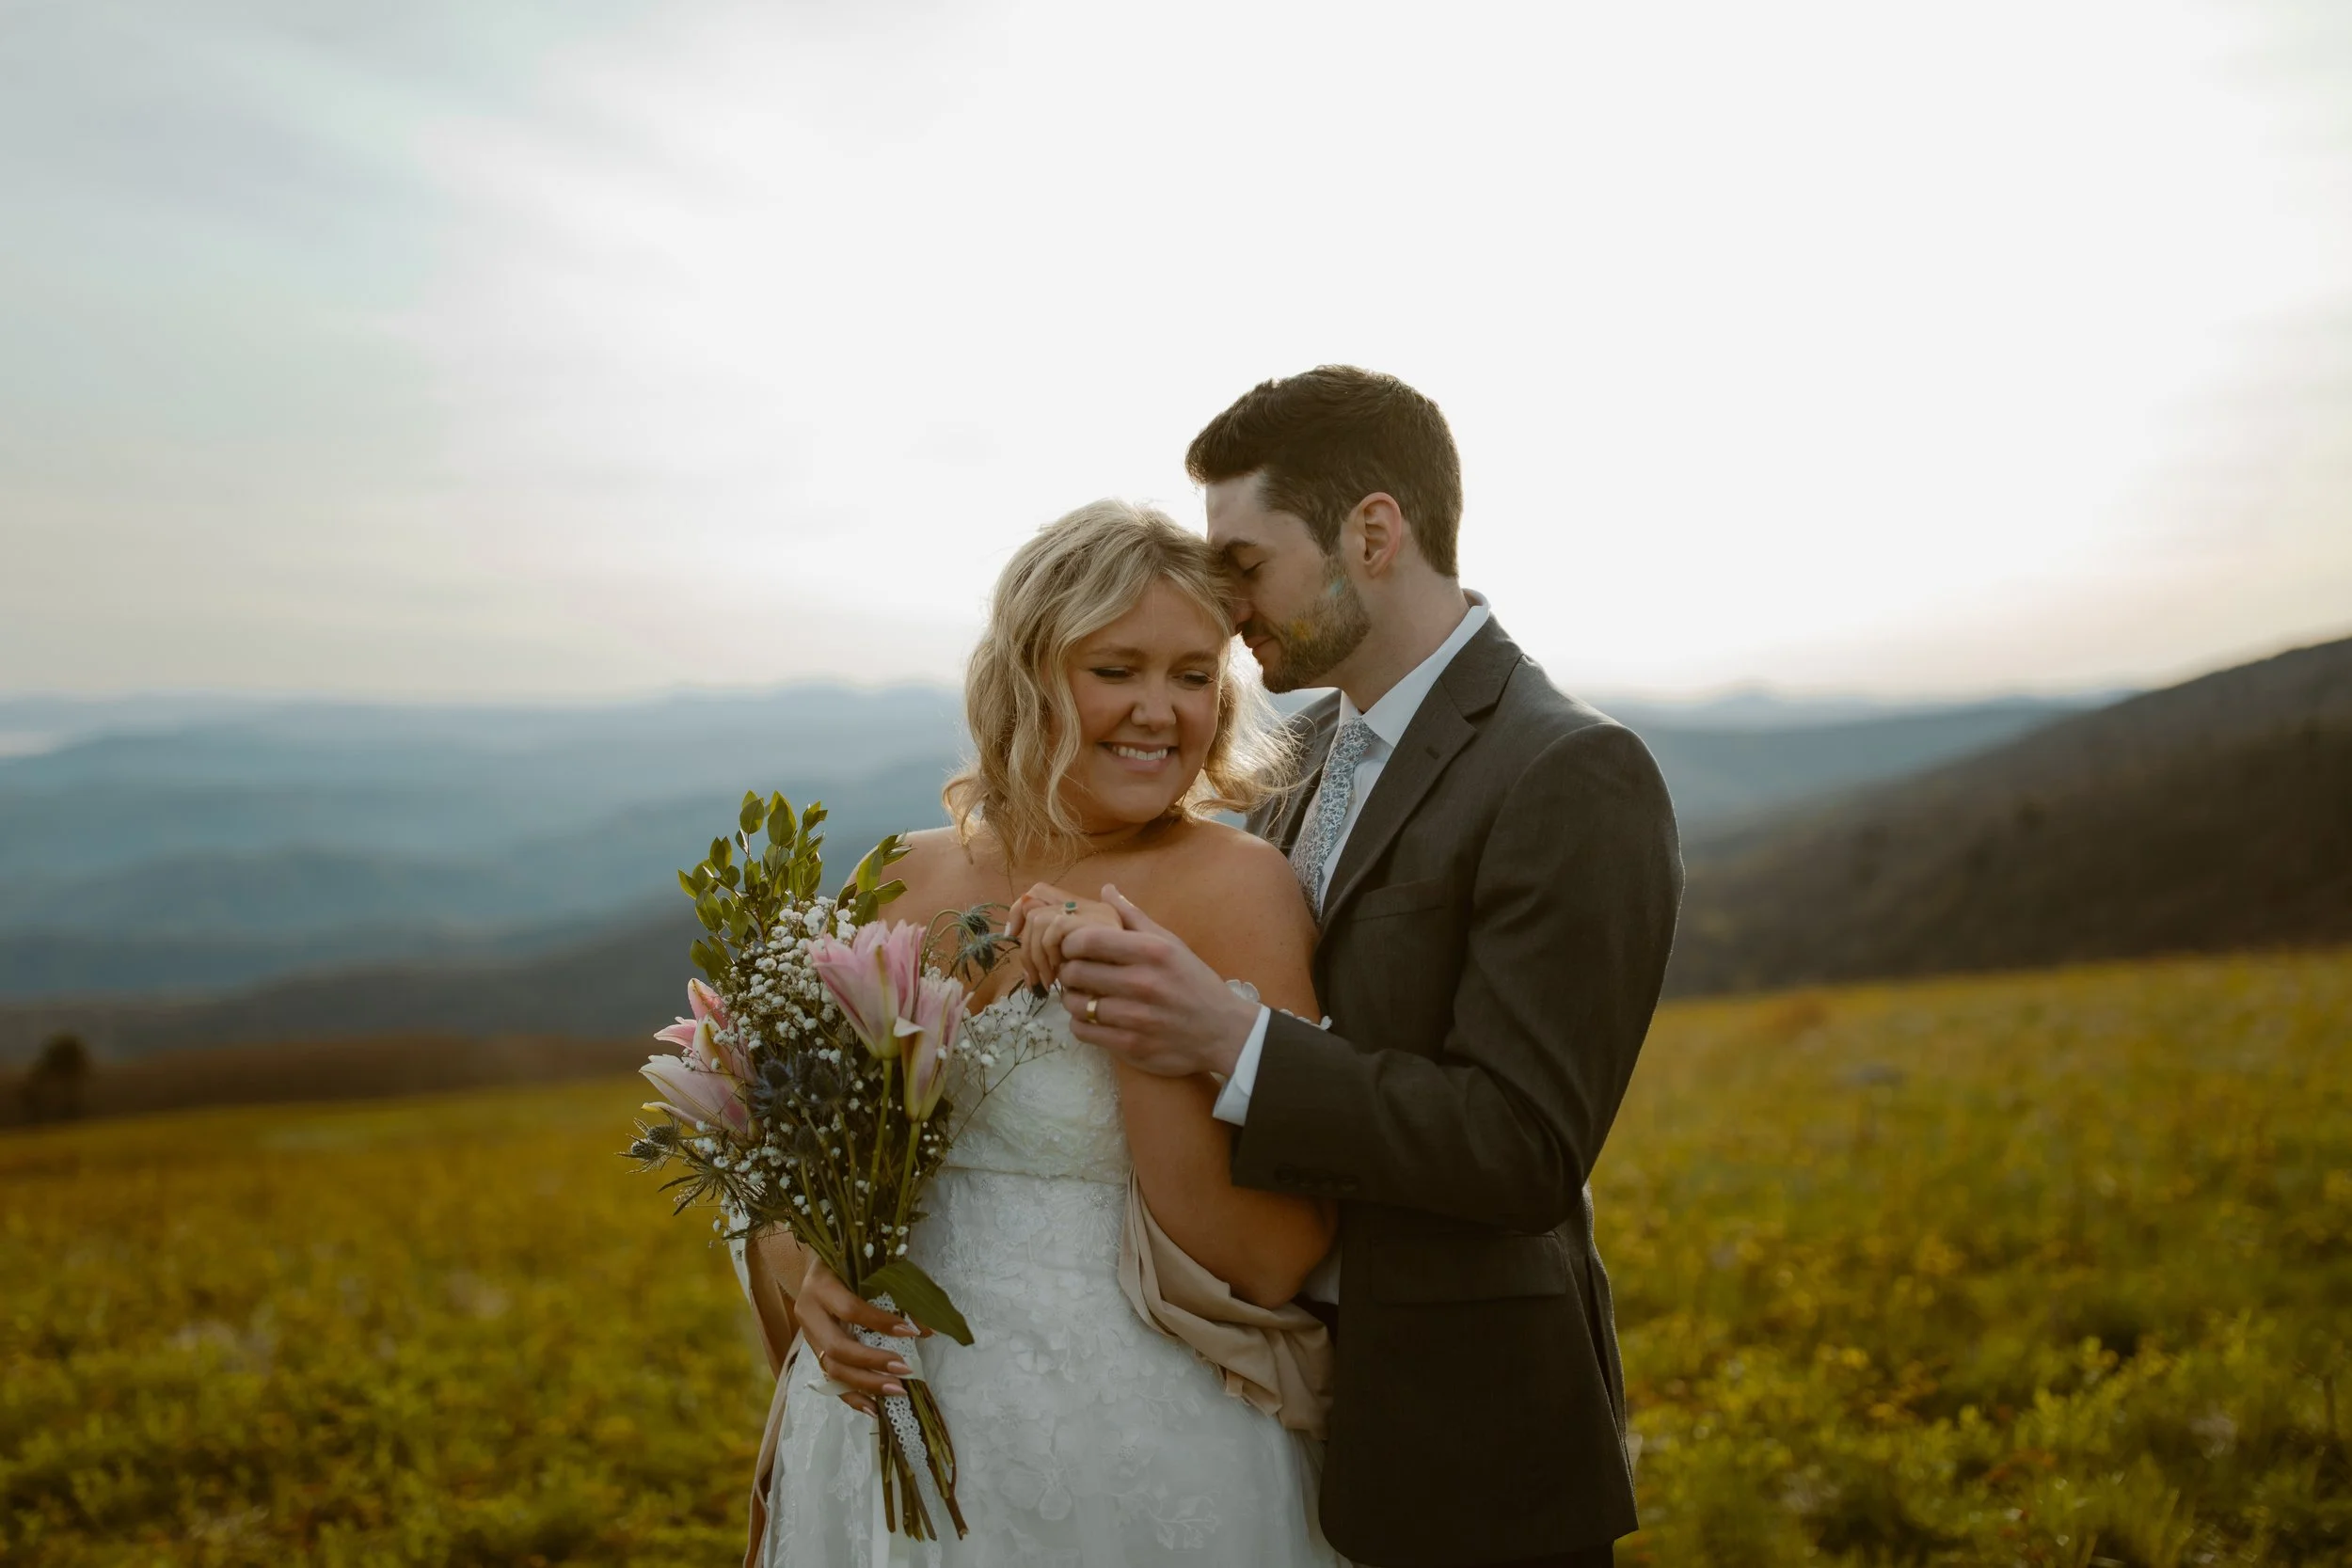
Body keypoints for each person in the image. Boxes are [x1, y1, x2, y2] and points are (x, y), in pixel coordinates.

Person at [1054, 367, 1684, 1568]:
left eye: (1244, 564)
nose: (1227, 608)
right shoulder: (1297, 754)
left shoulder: (1568, 770)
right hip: (1260, 1407)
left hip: (1465, 1439)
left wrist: (1228, 1040)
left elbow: (1522, 1147)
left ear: (1373, 534)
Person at [749, 499, 1346, 1566]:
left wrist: (1126, 1003)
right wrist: (816, 1277)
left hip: (1131, 1448)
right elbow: (789, 1170)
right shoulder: (899, 874)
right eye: (1116, 668)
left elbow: (1268, 1260)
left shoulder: (1238, 887)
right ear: (1028, 674)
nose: (1160, 711)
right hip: (879, 1431)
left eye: (1194, 674)